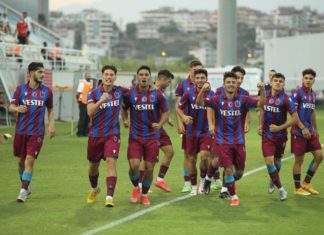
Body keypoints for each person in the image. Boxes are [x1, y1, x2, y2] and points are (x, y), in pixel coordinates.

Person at [196, 71, 265, 206]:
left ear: (237, 84)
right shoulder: (217, 99)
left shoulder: (243, 99)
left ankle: (210, 178)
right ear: (224, 84)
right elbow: (199, 103)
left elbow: (261, 104)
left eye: (233, 82)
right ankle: (233, 196)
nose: (231, 84)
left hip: (239, 142)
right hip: (223, 142)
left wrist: (262, 90)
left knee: (238, 173)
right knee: (228, 168)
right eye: (229, 82)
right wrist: (202, 91)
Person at [122, 65, 169, 205]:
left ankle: (144, 195)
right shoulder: (130, 93)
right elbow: (123, 108)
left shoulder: (158, 94)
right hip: (135, 137)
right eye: (141, 74)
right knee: (134, 166)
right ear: (137, 77)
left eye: (146, 75)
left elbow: (166, 112)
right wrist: (125, 119)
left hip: (152, 138)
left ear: (150, 77)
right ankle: (136, 187)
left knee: (149, 168)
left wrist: (160, 124)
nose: (143, 77)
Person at [9, 62, 55, 203]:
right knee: (20, 162)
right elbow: (11, 106)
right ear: (31, 72)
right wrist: (17, 109)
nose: (43, 75)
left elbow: (51, 109)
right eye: (40, 72)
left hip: (37, 133)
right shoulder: (20, 90)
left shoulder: (47, 91)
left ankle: (23, 190)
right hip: (20, 132)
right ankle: (26, 186)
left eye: (44, 72)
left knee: (30, 160)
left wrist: (51, 125)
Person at [85, 65, 128, 207]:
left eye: (111, 75)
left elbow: (135, 95)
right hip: (96, 135)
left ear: (115, 77)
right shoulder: (93, 93)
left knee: (111, 162)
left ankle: (109, 196)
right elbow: (90, 112)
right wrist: (101, 101)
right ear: (102, 76)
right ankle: (95, 189)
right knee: (93, 166)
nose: (109, 77)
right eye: (106, 74)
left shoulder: (120, 91)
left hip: (112, 134)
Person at [260, 72, 298, 201]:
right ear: (271, 82)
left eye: (281, 81)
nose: (278, 82)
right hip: (267, 135)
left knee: (277, 160)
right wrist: (260, 125)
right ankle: (281, 189)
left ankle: (273, 178)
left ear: (283, 84)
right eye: (275, 80)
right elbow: (262, 111)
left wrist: (279, 128)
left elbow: (295, 119)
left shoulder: (287, 99)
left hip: (281, 136)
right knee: (269, 161)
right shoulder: (265, 96)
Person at [214, 66, 250, 198]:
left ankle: (225, 185)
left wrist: (247, 122)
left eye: (241, 78)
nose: (239, 80)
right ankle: (221, 187)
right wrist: (212, 124)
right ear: (225, 82)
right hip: (222, 136)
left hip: (238, 138)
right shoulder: (218, 93)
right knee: (222, 162)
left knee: (238, 171)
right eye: (237, 77)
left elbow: (247, 109)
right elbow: (208, 107)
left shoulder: (244, 95)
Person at [177, 69, 214, 195]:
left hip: (205, 132)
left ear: (206, 79)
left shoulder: (211, 94)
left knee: (204, 157)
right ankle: (193, 187)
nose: (199, 80)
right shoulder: (188, 93)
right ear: (194, 79)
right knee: (191, 160)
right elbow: (179, 108)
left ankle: (202, 181)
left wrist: (213, 125)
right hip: (191, 132)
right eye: (197, 78)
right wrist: (183, 118)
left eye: (202, 77)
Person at [291, 68, 323, 196]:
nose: (308, 80)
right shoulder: (298, 93)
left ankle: (306, 182)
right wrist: (302, 128)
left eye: (310, 78)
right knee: (299, 161)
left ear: (314, 80)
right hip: (298, 132)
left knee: (319, 156)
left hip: (310, 132)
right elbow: (293, 114)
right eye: (306, 78)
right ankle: (297, 188)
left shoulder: (313, 94)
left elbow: (312, 113)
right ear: (302, 79)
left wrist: (315, 129)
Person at [175, 60, 203, 193]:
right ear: (190, 69)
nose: (197, 73)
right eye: (195, 70)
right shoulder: (183, 85)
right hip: (189, 126)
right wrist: (180, 122)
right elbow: (177, 106)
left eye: (200, 70)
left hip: (203, 127)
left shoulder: (204, 85)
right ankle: (187, 182)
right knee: (188, 155)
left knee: (204, 155)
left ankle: (206, 180)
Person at [152, 69, 175, 192]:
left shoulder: (161, 92)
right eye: (169, 82)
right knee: (148, 159)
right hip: (150, 130)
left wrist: (168, 119)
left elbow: (163, 109)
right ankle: (140, 185)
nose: (169, 84)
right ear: (163, 80)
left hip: (160, 128)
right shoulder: (151, 91)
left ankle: (160, 180)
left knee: (170, 151)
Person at [76, 71, 92, 137]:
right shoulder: (82, 83)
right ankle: (80, 132)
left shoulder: (89, 84)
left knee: (87, 118)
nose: (89, 76)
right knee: (82, 117)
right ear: (85, 76)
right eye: (88, 75)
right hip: (82, 102)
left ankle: (86, 132)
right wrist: (78, 99)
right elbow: (78, 93)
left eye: (90, 75)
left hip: (88, 103)